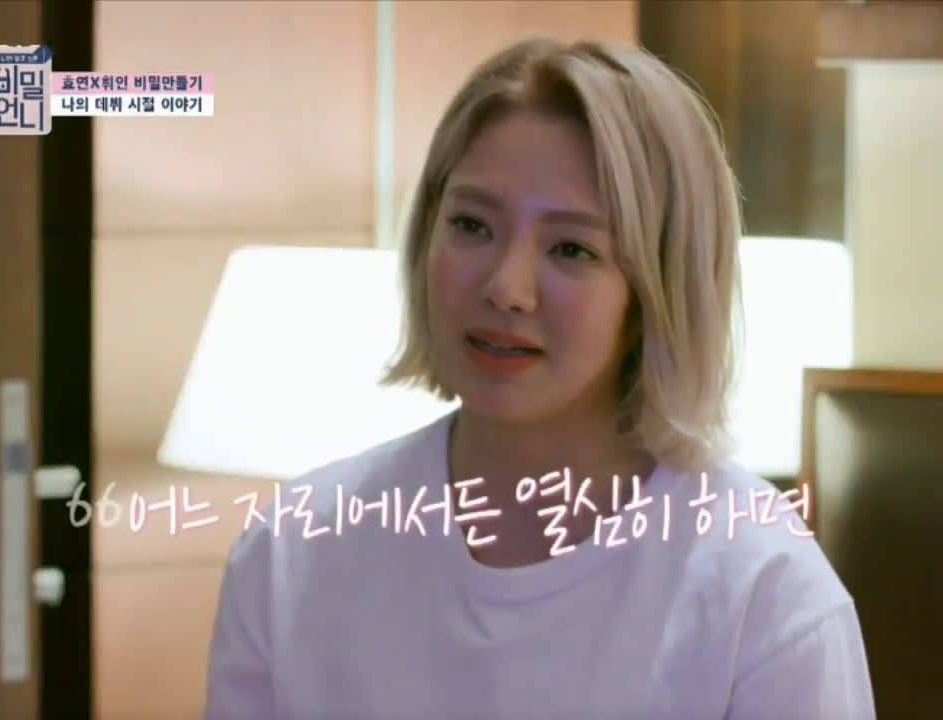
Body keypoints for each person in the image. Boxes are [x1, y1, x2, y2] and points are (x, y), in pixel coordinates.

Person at [205, 37, 875, 719]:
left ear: (656, 290)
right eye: (471, 225)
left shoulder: (763, 592)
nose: (506, 287)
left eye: (571, 249)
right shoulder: (293, 554)